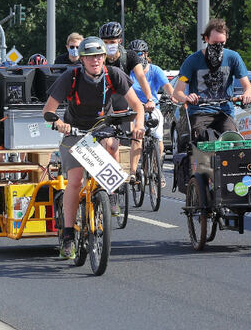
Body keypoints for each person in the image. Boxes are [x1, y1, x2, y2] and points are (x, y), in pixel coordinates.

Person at [42, 37, 145, 259]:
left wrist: (139, 126)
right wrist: (58, 123)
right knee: (76, 181)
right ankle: (68, 235)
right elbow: (47, 110)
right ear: (82, 59)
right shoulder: (71, 76)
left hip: (101, 130)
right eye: (89, 57)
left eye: (98, 56)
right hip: (75, 133)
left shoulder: (113, 75)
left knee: (112, 143)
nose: (95, 60)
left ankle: (111, 194)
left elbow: (137, 106)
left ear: (104, 57)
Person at [172, 18, 251, 142]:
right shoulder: (192, 61)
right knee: (201, 136)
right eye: (215, 43)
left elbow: (248, 86)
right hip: (200, 112)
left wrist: (247, 95)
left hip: (224, 112)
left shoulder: (233, 58)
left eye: (222, 43)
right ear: (206, 39)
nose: (218, 47)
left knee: (232, 139)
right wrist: (187, 98)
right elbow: (177, 92)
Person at [98, 21, 154, 182]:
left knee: (137, 133)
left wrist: (149, 99)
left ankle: (132, 172)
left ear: (120, 41)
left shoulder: (129, 56)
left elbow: (141, 77)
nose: (109, 45)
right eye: (106, 42)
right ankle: (112, 175)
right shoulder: (97, 57)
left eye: (112, 42)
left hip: (124, 97)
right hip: (105, 100)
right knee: (108, 141)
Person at [128, 39, 175, 187]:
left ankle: (157, 170)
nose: (138, 57)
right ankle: (133, 172)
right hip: (133, 108)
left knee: (158, 138)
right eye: (134, 54)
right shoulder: (128, 72)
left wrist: (175, 97)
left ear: (146, 54)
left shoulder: (155, 70)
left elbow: (167, 86)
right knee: (136, 138)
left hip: (151, 106)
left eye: (140, 54)